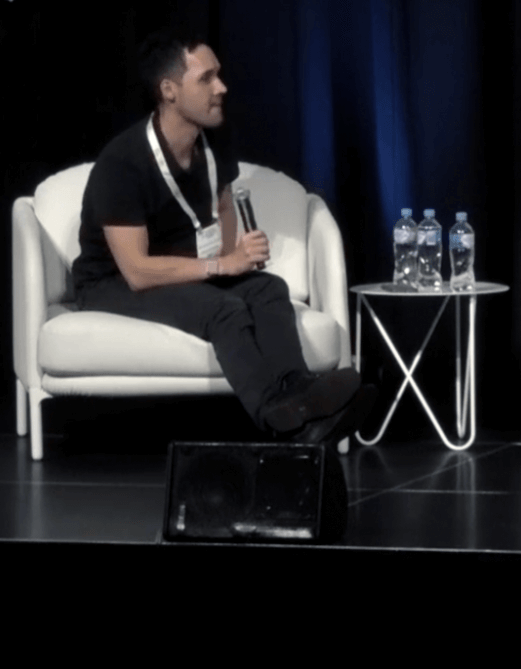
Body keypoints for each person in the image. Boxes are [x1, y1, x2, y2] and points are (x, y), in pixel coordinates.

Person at [72, 30, 368, 444]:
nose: (221, 88)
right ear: (169, 91)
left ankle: (298, 392)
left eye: (219, 75)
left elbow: (223, 200)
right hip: (113, 281)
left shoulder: (212, 139)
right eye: (206, 78)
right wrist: (221, 266)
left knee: (267, 288)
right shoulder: (123, 164)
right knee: (224, 310)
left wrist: (235, 258)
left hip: (179, 270)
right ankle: (278, 419)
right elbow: (137, 271)